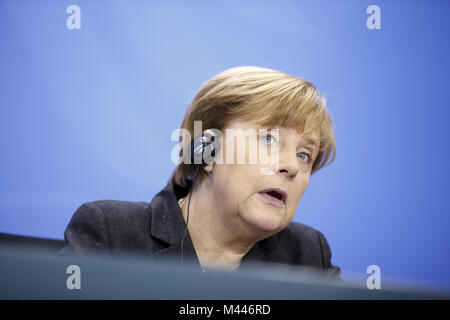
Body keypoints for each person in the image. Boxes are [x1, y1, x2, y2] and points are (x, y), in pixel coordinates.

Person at [60, 66, 340, 279]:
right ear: (207, 150)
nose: (291, 166)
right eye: (269, 139)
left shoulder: (306, 256)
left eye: (305, 155)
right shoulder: (112, 235)